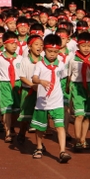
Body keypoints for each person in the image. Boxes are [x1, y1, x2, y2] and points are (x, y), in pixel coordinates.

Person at [30, 34, 71, 163]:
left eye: (55, 52)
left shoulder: (61, 64)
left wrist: (67, 89)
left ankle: (62, 151)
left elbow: (64, 77)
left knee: (60, 126)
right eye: (49, 51)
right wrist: (40, 81)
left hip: (57, 101)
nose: (52, 54)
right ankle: (39, 147)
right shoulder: (40, 65)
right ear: (44, 50)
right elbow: (34, 78)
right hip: (42, 101)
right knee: (40, 127)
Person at [0, 32, 23, 143]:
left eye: (16, 43)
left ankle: (11, 126)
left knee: (16, 110)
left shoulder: (20, 58)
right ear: (5, 44)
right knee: (7, 109)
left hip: (17, 84)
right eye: (11, 43)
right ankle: (7, 132)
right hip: (5, 84)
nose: (14, 45)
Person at [17, 35, 43, 143]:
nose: (39, 47)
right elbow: (22, 77)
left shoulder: (44, 61)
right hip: (28, 91)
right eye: (36, 44)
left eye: (41, 45)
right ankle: (22, 133)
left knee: (40, 117)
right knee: (25, 116)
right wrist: (32, 85)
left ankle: (39, 143)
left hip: (41, 92)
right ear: (29, 46)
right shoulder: (25, 61)